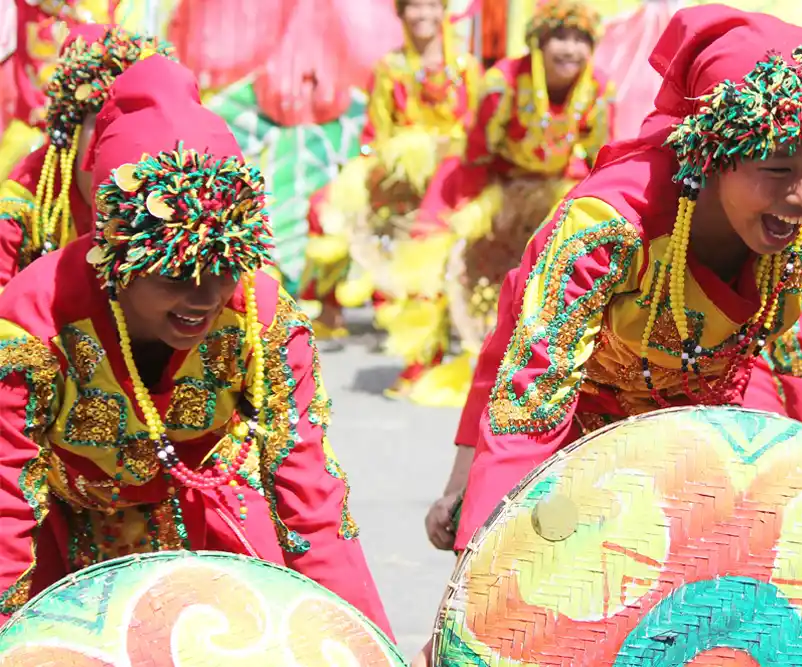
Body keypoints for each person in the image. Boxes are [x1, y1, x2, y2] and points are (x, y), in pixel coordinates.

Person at [413, 8, 802, 664]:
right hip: (584, 446)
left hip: (726, 428)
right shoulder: (605, 227)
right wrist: (468, 589)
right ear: (709, 155)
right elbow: (527, 405)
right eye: (777, 170)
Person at [0, 54, 393, 638]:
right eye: (175, 274)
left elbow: (311, 500)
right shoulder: (34, 326)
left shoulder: (264, 319)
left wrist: (363, 643)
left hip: (215, 532)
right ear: (116, 259)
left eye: (225, 266)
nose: (205, 298)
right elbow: (6, 507)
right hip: (68, 550)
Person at [388, 0, 615, 405]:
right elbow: (478, 153)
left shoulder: (597, 87)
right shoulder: (504, 81)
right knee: (440, 264)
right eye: (560, 37)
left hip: (548, 185)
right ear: (538, 42)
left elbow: (599, 156)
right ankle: (424, 363)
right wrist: (475, 218)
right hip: (483, 180)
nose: (571, 49)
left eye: (581, 40)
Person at [299, 0, 481, 341]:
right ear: (400, 13)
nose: (424, 14)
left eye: (431, 6)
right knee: (326, 204)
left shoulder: (466, 66)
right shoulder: (388, 68)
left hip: (454, 175)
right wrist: (383, 164)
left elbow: (475, 130)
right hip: (400, 171)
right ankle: (329, 305)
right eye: (415, 6)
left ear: (443, 12)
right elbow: (376, 133)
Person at [0, 23, 174, 289]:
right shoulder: (25, 202)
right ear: (71, 129)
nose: (122, 145)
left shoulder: (174, 199)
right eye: (106, 123)